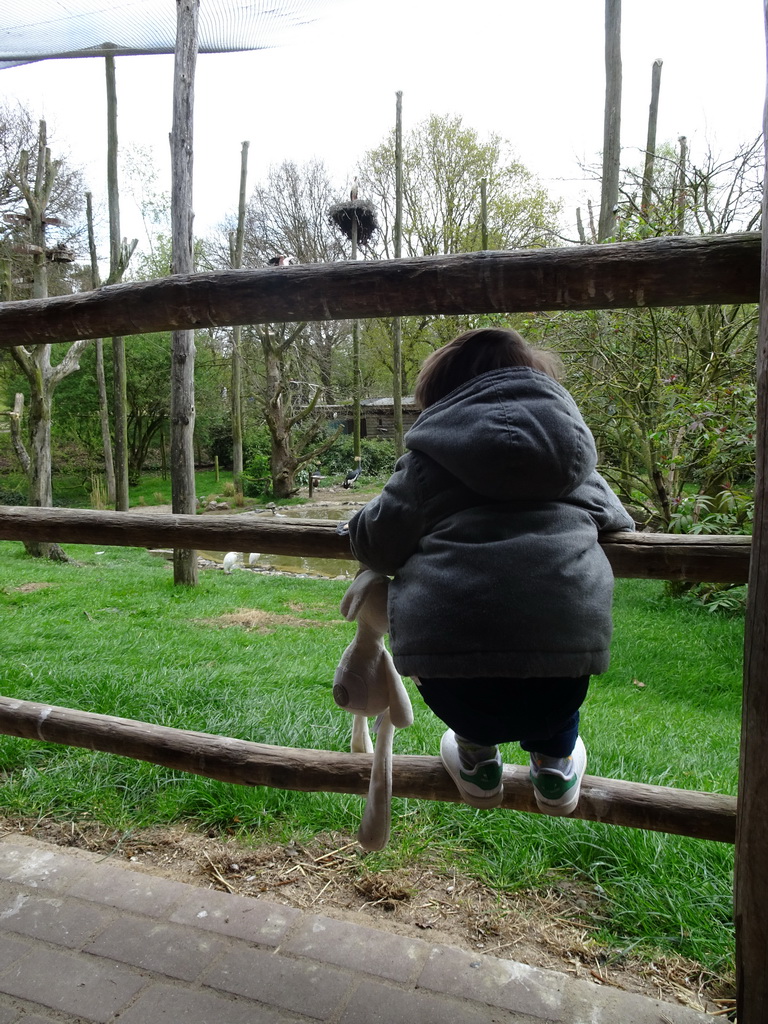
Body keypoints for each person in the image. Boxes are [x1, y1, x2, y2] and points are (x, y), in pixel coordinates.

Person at [346, 327, 635, 815]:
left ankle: (477, 761)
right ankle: (557, 766)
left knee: (468, 678)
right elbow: (620, 522)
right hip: (560, 673)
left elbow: (376, 544)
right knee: (554, 695)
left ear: (441, 399)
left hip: (450, 679)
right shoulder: (574, 465)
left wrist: (353, 524)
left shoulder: (425, 466)